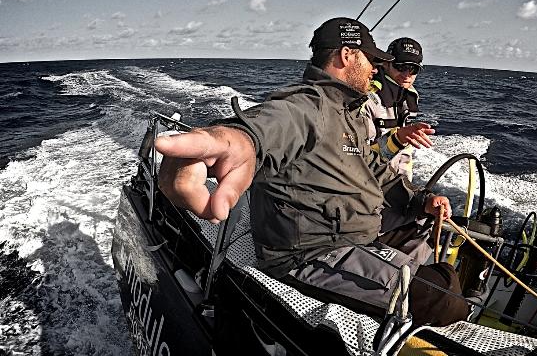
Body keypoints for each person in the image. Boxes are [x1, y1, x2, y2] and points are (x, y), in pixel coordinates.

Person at [156, 17, 468, 327]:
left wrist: (421, 200)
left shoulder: (351, 116)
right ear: (347, 55)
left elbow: (374, 170)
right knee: (443, 299)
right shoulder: (308, 105)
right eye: (370, 60)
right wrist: (232, 142)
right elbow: (269, 126)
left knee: (425, 239)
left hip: (359, 233)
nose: (375, 69)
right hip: (313, 252)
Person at [363, 37, 434, 180]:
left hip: (392, 187)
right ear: (386, 63)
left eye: (413, 69)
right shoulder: (367, 100)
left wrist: (406, 188)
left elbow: (404, 153)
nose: (407, 74)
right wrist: (397, 139)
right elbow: (360, 159)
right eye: (401, 66)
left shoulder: (408, 98)